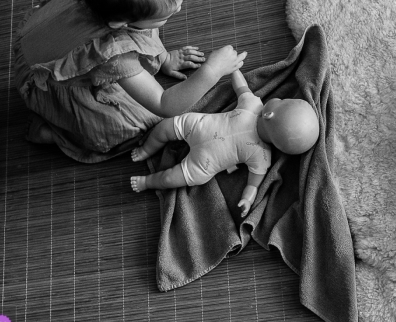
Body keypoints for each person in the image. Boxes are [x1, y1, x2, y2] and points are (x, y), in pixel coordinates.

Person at [13, 0, 246, 163]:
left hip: (37, 49)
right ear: (119, 25)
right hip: (52, 85)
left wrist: (164, 58)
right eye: (164, 17)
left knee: (142, 20)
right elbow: (165, 105)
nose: (179, 9)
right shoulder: (112, 55)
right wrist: (212, 71)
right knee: (134, 126)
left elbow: (142, 30)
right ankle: (58, 135)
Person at [130, 69, 319, 217]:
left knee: (169, 178)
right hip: (197, 126)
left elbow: (253, 185)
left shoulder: (261, 156)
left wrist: (247, 199)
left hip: (203, 164)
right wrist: (234, 70)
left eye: (283, 100)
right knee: (165, 128)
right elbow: (241, 87)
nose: (279, 97)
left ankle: (148, 182)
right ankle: (147, 149)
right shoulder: (252, 106)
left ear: (269, 114)